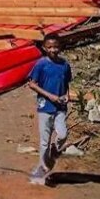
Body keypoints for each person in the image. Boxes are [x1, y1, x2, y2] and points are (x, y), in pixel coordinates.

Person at [27, 34, 72, 185]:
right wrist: (50, 96)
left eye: (56, 47)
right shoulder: (41, 64)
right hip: (45, 106)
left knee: (63, 134)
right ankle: (42, 171)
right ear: (44, 48)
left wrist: (66, 95)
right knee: (44, 142)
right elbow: (32, 84)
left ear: (60, 47)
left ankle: (55, 150)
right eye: (50, 47)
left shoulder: (64, 65)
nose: (53, 50)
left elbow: (66, 83)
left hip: (60, 107)